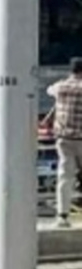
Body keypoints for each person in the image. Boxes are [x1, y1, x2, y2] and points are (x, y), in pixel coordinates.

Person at [45, 57, 82, 228]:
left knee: (65, 176)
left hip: (64, 139)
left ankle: (62, 215)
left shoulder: (60, 87)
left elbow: (49, 90)